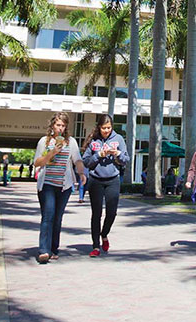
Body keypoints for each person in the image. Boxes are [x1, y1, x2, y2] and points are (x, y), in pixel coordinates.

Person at [33, 112, 85, 264]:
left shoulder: (71, 142)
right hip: (47, 184)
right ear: (52, 125)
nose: (60, 128)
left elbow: (77, 160)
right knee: (48, 215)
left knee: (57, 218)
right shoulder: (44, 141)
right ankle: (43, 250)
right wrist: (53, 152)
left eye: (63, 125)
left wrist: (81, 173)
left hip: (64, 186)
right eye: (58, 125)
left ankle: (54, 249)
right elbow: (37, 162)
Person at [82, 114, 130, 258]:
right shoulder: (94, 140)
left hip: (113, 180)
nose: (106, 131)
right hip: (95, 180)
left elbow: (126, 159)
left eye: (109, 128)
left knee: (112, 212)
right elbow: (86, 161)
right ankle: (96, 245)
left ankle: (104, 234)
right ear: (99, 127)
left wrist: (118, 154)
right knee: (96, 214)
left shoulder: (118, 139)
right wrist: (99, 155)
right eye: (104, 128)